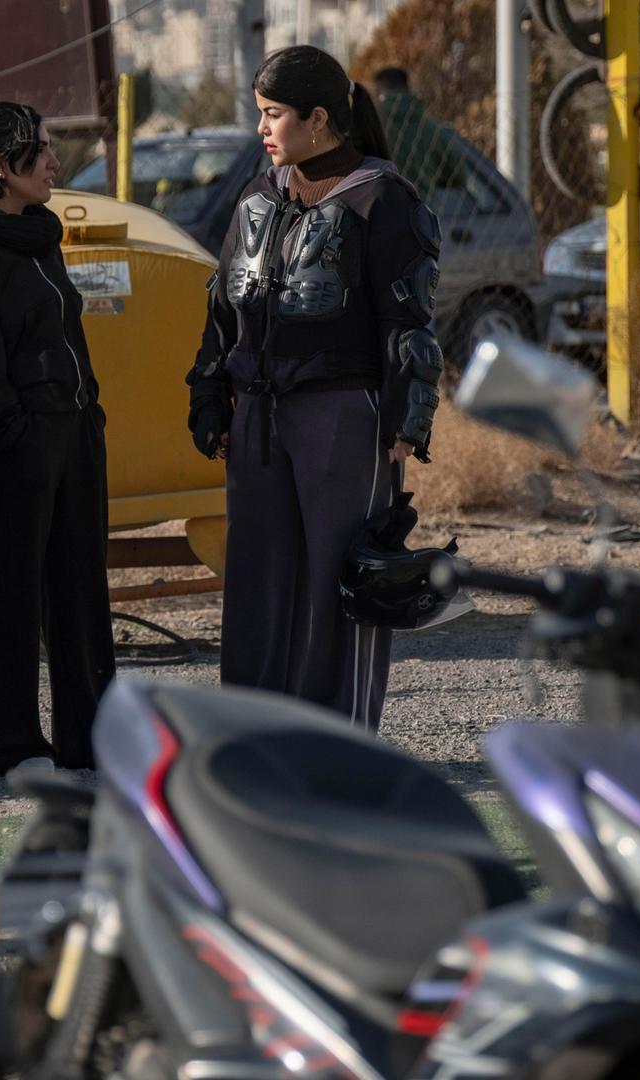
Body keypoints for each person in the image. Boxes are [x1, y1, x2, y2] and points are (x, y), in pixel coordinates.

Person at [186, 46, 444, 730]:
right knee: (257, 584)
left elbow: (409, 324)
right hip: (259, 420)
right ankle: (255, 735)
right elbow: (222, 308)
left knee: (344, 582)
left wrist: (405, 422)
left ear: (320, 118)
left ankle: (340, 743)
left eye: (273, 115)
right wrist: (210, 393)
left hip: (343, 419)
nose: (262, 129)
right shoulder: (257, 195)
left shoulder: (384, 200)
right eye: (260, 114)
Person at [0, 102, 114, 776]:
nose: (53, 161)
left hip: (73, 436)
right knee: (12, 595)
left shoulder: (36, 234)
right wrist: (17, 435)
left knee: (80, 592)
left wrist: (86, 419)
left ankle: (91, 740)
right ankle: (9, 744)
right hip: (22, 445)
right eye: (39, 150)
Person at [371, 67, 466, 198]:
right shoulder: (432, 128)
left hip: (377, 208)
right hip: (421, 209)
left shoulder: (370, 125)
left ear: (377, 90)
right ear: (406, 88)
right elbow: (458, 174)